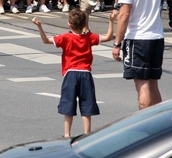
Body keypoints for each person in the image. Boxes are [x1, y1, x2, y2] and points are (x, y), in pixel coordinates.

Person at [32, 9, 116, 137]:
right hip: (86, 74)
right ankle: (87, 134)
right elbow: (108, 37)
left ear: (70, 25)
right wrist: (111, 21)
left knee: (68, 105)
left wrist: (40, 27)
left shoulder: (66, 37)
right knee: (86, 105)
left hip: (70, 74)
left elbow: (46, 40)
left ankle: (67, 134)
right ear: (84, 24)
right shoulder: (89, 37)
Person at [112, 0, 170, 110]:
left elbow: (125, 14)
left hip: (137, 37)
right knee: (153, 84)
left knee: (143, 86)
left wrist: (117, 43)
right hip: (156, 35)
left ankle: (146, 126)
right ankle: (161, 123)